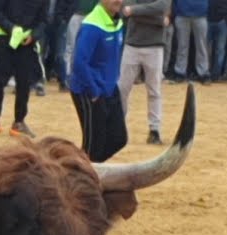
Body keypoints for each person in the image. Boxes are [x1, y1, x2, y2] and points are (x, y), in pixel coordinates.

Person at [70, 0, 125, 160]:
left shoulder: (118, 21)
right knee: (93, 146)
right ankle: (85, 177)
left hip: (109, 88)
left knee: (119, 139)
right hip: (88, 92)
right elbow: (79, 62)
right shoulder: (92, 25)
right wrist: (94, 91)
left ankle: (89, 172)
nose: (119, 1)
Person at [0, 0, 47, 136]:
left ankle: (19, 121)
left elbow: (43, 21)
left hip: (27, 44)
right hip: (4, 40)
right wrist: (11, 28)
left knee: (24, 83)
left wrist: (34, 35)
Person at [117, 0, 168, 144]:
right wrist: (158, 19)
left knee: (154, 90)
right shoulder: (157, 17)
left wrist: (134, 12)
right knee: (123, 88)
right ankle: (119, 128)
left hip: (155, 46)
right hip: (132, 44)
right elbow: (125, 7)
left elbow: (162, 6)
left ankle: (154, 130)